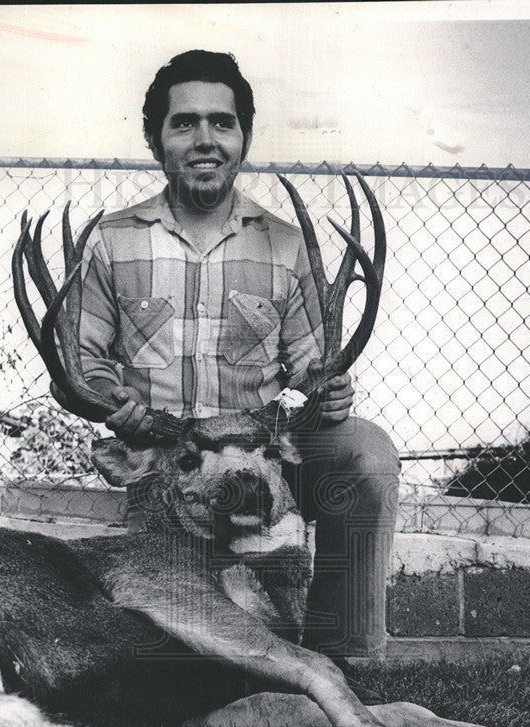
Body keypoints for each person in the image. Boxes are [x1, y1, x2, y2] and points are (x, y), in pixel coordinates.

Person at [77, 50, 400, 678]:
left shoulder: (284, 242)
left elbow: (310, 361)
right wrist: (112, 400)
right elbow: (86, 362)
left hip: (262, 452)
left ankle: (346, 655)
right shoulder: (113, 240)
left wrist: (328, 388)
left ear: (243, 137)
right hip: (174, 463)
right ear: (155, 138)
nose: (206, 140)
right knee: (180, 652)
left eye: (223, 123)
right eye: (185, 123)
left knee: (365, 449)